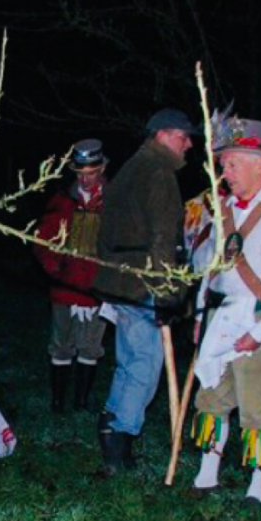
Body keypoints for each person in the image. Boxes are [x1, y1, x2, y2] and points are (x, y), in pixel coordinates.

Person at [190, 117, 261, 504]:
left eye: (233, 163)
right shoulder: (221, 209)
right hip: (219, 319)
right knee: (211, 399)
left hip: (259, 322)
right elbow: (208, 269)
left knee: (256, 409)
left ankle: (258, 488)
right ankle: (206, 476)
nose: (225, 172)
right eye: (223, 164)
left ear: (260, 163)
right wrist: (202, 316)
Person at [92, 108, 197, 474]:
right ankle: (120, 443)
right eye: (184, 137)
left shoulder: (129, 168)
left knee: (127, 360)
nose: (189, 145)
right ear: (164, 135)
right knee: (143, 367)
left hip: (121, 282)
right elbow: (162, 239)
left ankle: (109, 427)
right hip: (143, 285)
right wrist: (168, 294)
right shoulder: (159, 172)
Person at [34, 140, 108, 413]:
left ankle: (81, 402)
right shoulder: (63, 200)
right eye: (80, 173)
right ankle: (57, 403)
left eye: (91, 172)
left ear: (101, 169)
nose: (85, 179)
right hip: (64, 289)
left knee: (90, 346)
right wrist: (54, 267)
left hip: (97, 291)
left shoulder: (113, 200)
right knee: (61, 345)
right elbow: (42, 240)